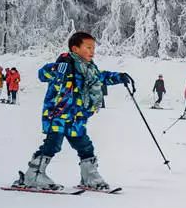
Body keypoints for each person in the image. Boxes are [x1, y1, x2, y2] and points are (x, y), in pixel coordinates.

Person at [10, 31, 134, 191]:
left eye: (93, 48)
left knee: (85, 146)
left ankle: (89, 176)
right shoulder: (65, 64)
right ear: (75, 49)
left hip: (77, 118)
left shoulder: (89, 69)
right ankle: (33, 175)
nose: (92, 51)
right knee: (52, 145)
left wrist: (119, 77)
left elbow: (100, 77)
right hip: (58, 116)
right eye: (88, 47)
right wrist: (56, 68)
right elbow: (42, 74)